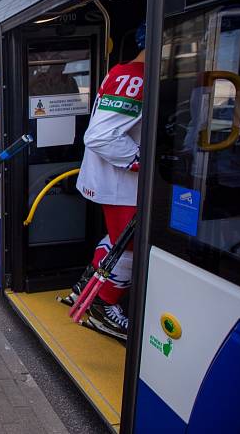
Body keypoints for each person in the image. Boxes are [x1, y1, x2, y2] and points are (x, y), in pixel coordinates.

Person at [73, 22, 146, 341]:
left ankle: (87, 286)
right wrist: (142, 161)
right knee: (129, 249)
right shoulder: (135, 76)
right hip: (122, 185)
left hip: (117, 184)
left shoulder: (128, 73)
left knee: (118, 241)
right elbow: (100, 135)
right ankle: (105, 306)